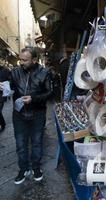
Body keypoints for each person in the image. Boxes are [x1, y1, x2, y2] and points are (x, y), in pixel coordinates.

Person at [10, 47, 53, 184]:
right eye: (20, 59)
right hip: (19, 114)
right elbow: (10, 88)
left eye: (25, 60)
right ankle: (23, 169)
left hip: (37, 113)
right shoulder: (15, 72)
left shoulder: (45, 72)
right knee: (20, 143)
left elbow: (50, 93)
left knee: (36, 142)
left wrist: (33, 99)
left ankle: (36, 167)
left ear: (34, 60)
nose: (21, 62)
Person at [0, 61, 11, 132]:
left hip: (2, 94)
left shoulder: (6, 70)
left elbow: (11, 80)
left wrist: (5, 85)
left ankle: (2, 124)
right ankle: (2, 123)